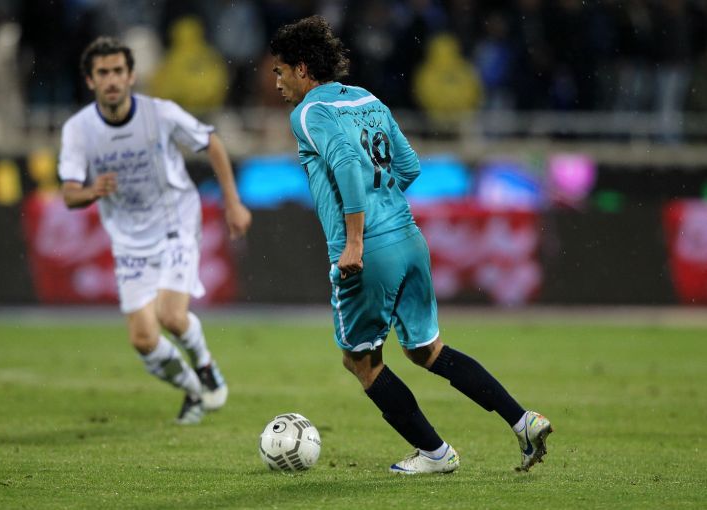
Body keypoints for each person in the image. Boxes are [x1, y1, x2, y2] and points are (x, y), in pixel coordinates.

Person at [270, 16, 552, 474]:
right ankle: (523, 421)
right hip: (408, 238)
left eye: (280, 71)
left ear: (302, 69)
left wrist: (357, 239)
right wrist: (382, 206)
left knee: (360, 362)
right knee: (427, 350)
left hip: (369, 253)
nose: (277, 82)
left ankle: (436, 454)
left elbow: (347, 163)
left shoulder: (308, 113)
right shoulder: (367, 99)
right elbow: (409, 165)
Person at [59, 37, 252, 424]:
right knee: (144, 340)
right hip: (128, 240)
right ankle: (194, 390)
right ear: (90, 80)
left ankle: (205, 365)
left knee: (171, 316)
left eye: (118, 71)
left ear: (131, 76)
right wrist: (91, 191)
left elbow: (211, 142)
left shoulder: (160, 113)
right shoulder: (78, 129)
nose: (112, 80)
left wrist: (232, 202)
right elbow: (69, 194)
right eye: (103, 73)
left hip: (175, 223)